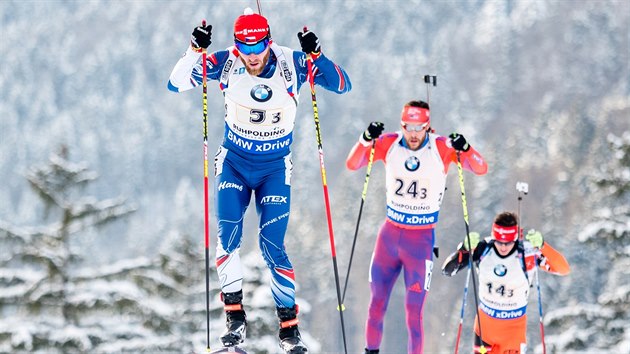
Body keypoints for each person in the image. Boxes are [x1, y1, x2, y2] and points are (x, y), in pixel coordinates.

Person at [168, 8, 351, 353]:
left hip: (273, 170)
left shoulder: (292, 64)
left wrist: (317, 55)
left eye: (258, 48)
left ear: (269, 41)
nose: (252, 57)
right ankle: (235, 318)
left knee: (272, 246)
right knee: (228, 239)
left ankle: (288, 329)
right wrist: (194, 49)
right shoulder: (225, 63)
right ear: (237, 45)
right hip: (234, 164)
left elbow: (342, 84)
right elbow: (175, 83)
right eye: (244, 49)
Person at [345, 100, 488, 353]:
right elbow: (353, 163)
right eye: (408, 128)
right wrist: (366, 139)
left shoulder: (441, 147)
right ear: (402, 125)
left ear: (427, 126)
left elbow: (480, 167)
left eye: (419, 128)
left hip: (420, 242)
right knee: (376, 304)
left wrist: (465, 147)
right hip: (389, 237)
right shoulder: (389, 143)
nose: (413, 134)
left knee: (414, 313)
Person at [441, 211, 570, 354]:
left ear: (515, 238)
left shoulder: (527, 253)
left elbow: (563, 269)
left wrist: (542, 246)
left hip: (513, 333)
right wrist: (464, 249)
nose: (503, 247)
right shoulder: (483, 249)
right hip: (485, 331)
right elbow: (447, 270)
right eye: (499, 242)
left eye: (508, 243)